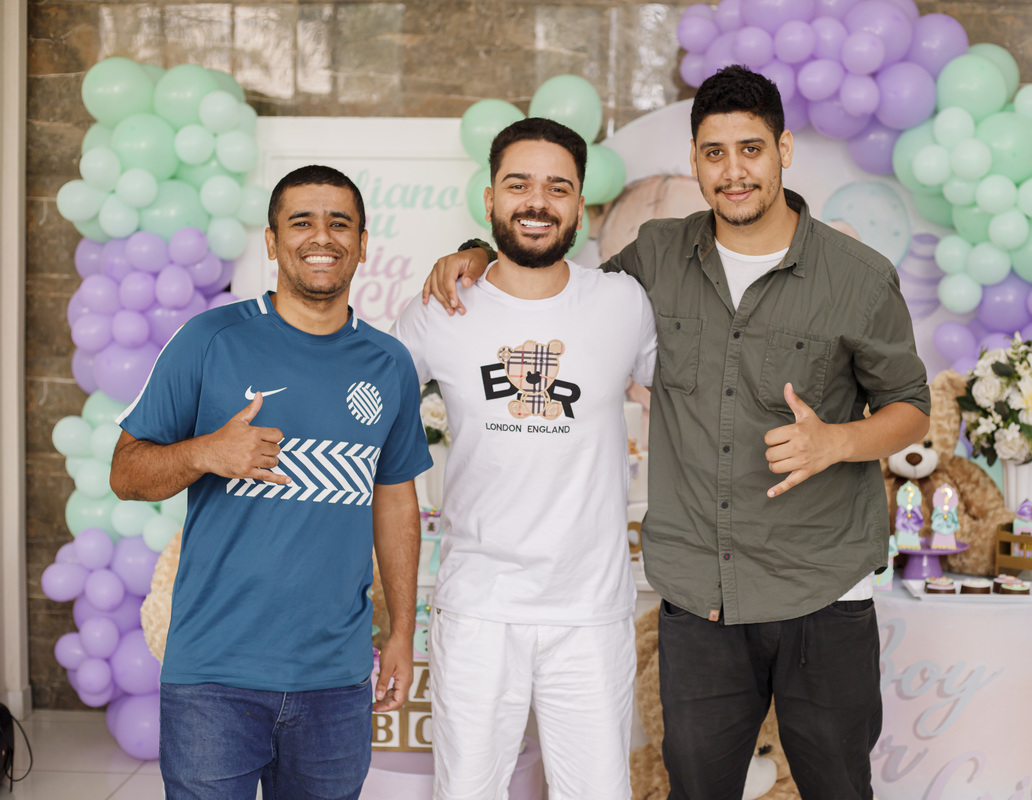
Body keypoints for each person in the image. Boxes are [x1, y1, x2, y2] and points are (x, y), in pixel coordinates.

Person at [423, 66, 931, 800]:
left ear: (784, 150)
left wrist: (838, 443)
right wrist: (478, 254)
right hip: (701, 595)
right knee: (694, 787)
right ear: (694, 160)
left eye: (751, 149)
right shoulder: (656, 256)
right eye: (714, 153)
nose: (734, 171)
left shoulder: (857, 275)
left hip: (821, 586)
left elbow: (911, 408)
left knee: (837, 786)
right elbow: (550, 283)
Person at [110, 165, 432, 800]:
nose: (322, 237)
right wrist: (206, 451)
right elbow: (126, 473)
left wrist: (400, 631)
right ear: (271, 240)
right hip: (214, 678)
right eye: (301, 222)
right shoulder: (210, 340)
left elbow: (395, 499)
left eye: (340, 223)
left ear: (363, 243)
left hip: (335, 681)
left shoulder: (389, 362)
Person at [391, 117, 656, 800]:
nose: (537, 202)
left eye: (557, 188)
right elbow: (368, 408)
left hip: (590, 610)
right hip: (479, 606)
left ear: (580, 207)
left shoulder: (622, 302)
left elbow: (698, 392)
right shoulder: (440, 306)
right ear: (489, 199)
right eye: (518, 185)